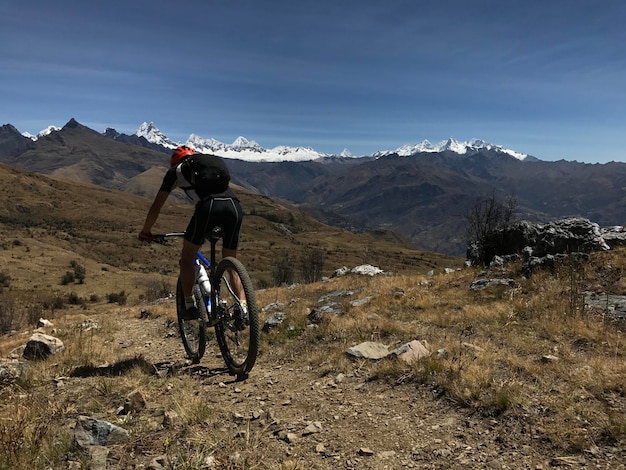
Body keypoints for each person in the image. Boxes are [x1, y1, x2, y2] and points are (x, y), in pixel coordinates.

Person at [138, 145, 243, 319]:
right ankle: (243, 307)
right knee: (231, 261)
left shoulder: (176, 172)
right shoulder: (210, 165)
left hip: (208, 208)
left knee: (187, 258)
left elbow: (156, 207)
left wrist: (146, 231)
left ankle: (188, 305)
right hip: (234, 206)